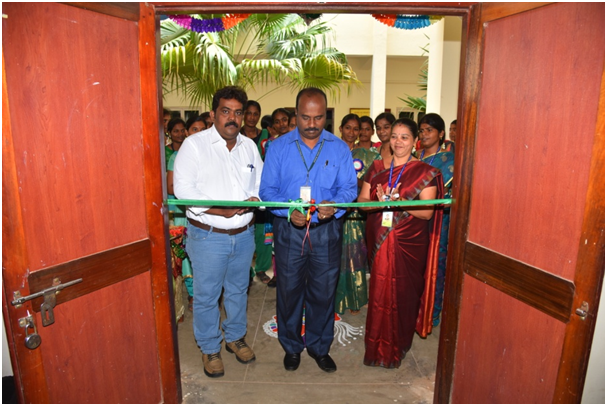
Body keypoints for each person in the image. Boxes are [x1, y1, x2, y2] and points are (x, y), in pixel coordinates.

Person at [259, 87, 357, 373]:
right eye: (305, 117)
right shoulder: (278, 147)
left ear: (326, 115)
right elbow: (267, 191)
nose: (312, 124)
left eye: (318, 117)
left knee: (323, 292)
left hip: (326, 231)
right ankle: (291, 347)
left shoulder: (339, 148)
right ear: (296, 114)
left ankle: (319, 347)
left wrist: (335, 206)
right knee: (289, 291)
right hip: (290, 231)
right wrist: (288, 211)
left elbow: (349, 188)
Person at [173, 86, 263, 378]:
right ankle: (210, 347)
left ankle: (235, 337)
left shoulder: (249, 147)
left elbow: (261, 184)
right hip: (208, 235)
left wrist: (256, 199)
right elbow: (183, 190)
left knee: (238, 290)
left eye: (238, 112)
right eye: (226, 111)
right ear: (213, 114)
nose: (232, 118)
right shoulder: (194, 145)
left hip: (244, 235)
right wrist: (217, 209)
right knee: (207, 296)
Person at [358, 118, 443, 369]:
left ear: (415, 141)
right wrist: (377, 202)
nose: (398, 141)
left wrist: (399, 203)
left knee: (404, 294)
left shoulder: (425, 172)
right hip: (381, 239)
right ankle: (377, 348)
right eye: (394, 136)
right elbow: (362, 201)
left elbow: (426, 212)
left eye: (404, 137)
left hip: (410, 243)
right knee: (379, 293)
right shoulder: (376, 168)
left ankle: (398, 345)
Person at [334, 114, 378, 315]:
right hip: (334, 209)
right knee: (333, 256)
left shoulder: (366, 155)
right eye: (348, 128)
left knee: (354, 255)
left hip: (356, 212)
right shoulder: (332, 149)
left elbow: (370, 184)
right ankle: (333, 299)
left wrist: (355, 182)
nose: (351, 132)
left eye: (356, 129)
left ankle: (355, 298)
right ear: (341, 129)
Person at [417, 113, 454, 327]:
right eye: (421, 130)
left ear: (441, 133)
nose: (424, 134)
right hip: (413, 219)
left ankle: (432, 312)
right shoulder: (414, 157)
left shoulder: (449, 160)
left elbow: (454, 193)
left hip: (439, 220)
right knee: (415, 265)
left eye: (429, 130)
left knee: (435, 266)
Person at [168, 115, 206, 313]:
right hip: (184, 211)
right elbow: (171, 186)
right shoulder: (177, 156)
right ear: (187, 132)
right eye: (194, 129)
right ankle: (193, 293)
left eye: (202, 129)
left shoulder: (213, 155)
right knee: (187, 250)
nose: (199, 134)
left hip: (208, 212)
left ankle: (206, 291)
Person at [240, 100, 273, 285]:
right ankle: (245, 271)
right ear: (244, 114)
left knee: (263, 232)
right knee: (244, 231)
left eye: (255, 114)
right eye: (249, 113)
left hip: (262, 187)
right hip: (242, 188)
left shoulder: (267, 135)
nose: (252, 117)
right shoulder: (236, 134)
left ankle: (261, 268)